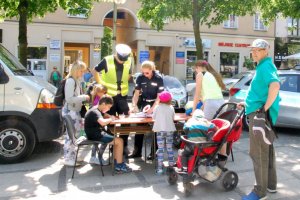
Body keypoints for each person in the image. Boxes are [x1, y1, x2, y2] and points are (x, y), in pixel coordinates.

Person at [239, 39, 280, 200]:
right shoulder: (263, 66)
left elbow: (275, 85)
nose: (254, 52)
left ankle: (259, 192)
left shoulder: (265, 66)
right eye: (253, 50)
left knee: (257, 153)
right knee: (267, 151)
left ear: (266, 51)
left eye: (258, 50)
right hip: (260, 114)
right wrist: (248, 103)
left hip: (260, 116)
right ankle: (271, 185)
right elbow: (261, 91)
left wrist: (264, 108)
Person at [93, 44, 132, 156]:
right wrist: (101, 84)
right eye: (120, 59)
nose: (122, 62)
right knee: (110, 120)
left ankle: (123, 145)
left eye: (123, 60)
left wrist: (123, 83)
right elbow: (95, 71)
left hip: (122, 95)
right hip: (109, 96)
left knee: (126, 121)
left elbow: (129, 74)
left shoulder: (128, 61)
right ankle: (113, 144)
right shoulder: (107, 60)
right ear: (116, 54)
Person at [84, 95, 132, 173]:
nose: (109, 109)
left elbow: (104, 115)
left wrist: (110, 116)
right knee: (119, 141)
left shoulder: (96, 109)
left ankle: (117, 162)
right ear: (103, 104)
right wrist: (111, 119)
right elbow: (102, 123)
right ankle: (119, 166)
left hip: (95, 133)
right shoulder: (95, 112)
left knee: (118, 140)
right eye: (108, 107)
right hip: (95, 135)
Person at [192, 60, 228, 164]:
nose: (195, 71)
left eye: (195, 68)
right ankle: (222, 156)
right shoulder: (213, 75)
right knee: (220, 130)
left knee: (205, 129)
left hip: (211, 104)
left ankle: (206, 155)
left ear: (199, 67)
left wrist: (194, 110)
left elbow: (197, 94)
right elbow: (210, 95)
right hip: (221, 103)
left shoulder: (200, 74)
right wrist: (202, 107)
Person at [129, 60, 164, 160]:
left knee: (156, 128)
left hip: (155, 104)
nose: (145, 74)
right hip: (144, 103)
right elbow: (136, 94)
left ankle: (154, 153)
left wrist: (153, 108)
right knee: (139, 128)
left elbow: (159, 97)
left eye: (147, 73)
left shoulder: (158, 78)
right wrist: (134, 105)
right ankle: (137, 151)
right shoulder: (140, 77)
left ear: (152, 70)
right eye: (143, 72)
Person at [62, 61, 90, 166]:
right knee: (71, 136)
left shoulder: (75, 80)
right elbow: (69, 99)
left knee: (74, 135)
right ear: (76, 70)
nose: (83, 73)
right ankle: (68, 158)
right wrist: (84, 97)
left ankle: (71, 157)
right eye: (81, 71)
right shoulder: (71, 81)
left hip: (74, 111)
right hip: (71, 112)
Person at [179, 109, 216, 174]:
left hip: (191, 146)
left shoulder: (190, 120)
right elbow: (214, 126)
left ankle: (184, 169)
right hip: (202, 146)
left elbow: (185, 129)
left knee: (184, 154)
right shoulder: (205, 121)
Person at [152, 91, 176, 175]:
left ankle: (159, 169)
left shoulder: (157, 107)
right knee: (169, 149)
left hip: (160, 131)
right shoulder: (171, 107)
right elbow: (173, 117)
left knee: (160, 149)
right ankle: (171, 167)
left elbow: (153, 117)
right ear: (170, 100)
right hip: (169, 130)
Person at [87, 83, 109, 165]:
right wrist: (110, 117)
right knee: (105, 140)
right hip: (95, 128)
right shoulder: (98, 101)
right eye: (104, 92)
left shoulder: (97, 99)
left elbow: (103, 113)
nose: (105, 94)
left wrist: (108, 115)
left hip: (95, 128)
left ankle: (94, 157)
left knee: (96, 143)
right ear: (99, 92)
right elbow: (102, 113)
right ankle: (98, 157)